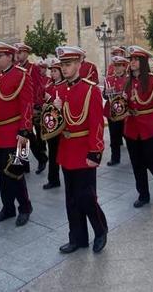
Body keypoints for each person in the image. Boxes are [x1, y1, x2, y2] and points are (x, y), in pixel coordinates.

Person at [52, 46, 108, 254]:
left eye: (67, 65)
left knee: (86, 197)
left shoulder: (90, 89)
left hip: (84, 150)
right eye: (62, 65)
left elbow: (96, 123)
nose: (64, 69)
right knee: (71, 199)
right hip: (67, 149)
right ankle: (77, 237)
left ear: (78, 65)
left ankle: (100, 230)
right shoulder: (59, 90)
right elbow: (57, 124)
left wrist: (95, 152)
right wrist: (56, 111)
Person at [0, 40, 34, 226]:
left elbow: (27, 104)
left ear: (10, 57)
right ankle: (7, 207)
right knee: (2, 172)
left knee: (16, 173)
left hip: (18, 134)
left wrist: (25, 130)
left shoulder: (22, 75)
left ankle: (25, 207)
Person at [124, 46, 153, 208]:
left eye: (136, 60)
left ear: (143, 62)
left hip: (150, 127)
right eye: (131, 60)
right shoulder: (127, 82)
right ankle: (143, 194)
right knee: (137, 164)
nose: (132, 62)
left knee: (152, 160)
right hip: (132, 129)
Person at [15, 42, 49, 175]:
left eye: (21, 52)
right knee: (24, 134)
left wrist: (36, 105)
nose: (18, 55)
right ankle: (26, 162)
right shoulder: (16, 67)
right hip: (19, 107)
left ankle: (40, 158)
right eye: (17, 52)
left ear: (26, 54)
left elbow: (38, 87)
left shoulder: (32, 68)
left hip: (30, 107)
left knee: (26, 133)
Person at [42, 59, 66, 190]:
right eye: (51, 71)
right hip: (50, 124)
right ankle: (53, 179)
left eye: (55, 71)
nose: (52, 73)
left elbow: (62, 105)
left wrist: (50, 101)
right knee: (52, 153)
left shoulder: (65, 85)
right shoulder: (50, 86)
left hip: (60, 125)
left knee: (58, 153)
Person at [104, 55, 130, 165]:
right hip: (112, 111)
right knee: (114, 136)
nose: (117, 68)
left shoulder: (129, 79)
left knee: (128, 135)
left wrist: (126, 95)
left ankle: (134, 155)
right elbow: (105, 96)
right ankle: (115, 158)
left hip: (125, 112)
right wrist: (106, 92)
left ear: (124, 67)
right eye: (115, 66)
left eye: (119, 66)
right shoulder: (109, 79)